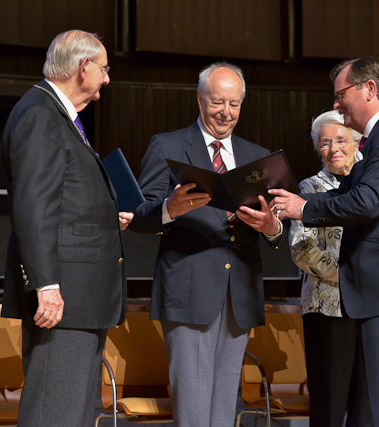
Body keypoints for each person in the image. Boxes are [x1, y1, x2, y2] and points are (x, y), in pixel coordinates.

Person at [270, 56, 379, 427]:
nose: (336, 105)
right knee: (374, 413)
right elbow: (348, 197)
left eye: (340, 94)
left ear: (370, 89)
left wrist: (303, 207)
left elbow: (367, 201)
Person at [130, 62, 282, 427]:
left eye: (234, 104)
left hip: (239, 295)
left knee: (223, 412)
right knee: (194, 411)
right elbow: (137, 213)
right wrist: (170, 208)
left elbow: (278, 227)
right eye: (218, 102)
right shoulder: (167, 145)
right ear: (200, 100)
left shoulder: (257, 157)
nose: (226, 112)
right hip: (189, 292)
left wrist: (272, 226)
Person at [0, 30, 133, 426]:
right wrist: (46, 285)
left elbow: (64, 201)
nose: (107, 79)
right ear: (82, 67)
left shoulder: (58, 115)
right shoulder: (40, 114)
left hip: (81, 297)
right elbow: (33, 207)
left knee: (72, 413)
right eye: (104, 69)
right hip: (63, 299)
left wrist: (108, 217)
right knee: (53, 413)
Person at [288, 109, 363, 426]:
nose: (333, 148)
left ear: (358, 143)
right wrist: (348, 277)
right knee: (329, 405)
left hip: (374, 307)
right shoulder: (310, 188)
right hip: (327, 306)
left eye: (341, 140)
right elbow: (301, 249)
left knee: (368, 402)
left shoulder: (374, 182)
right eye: (325, 143)